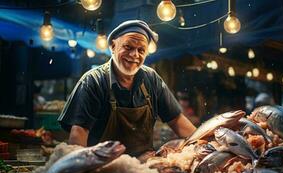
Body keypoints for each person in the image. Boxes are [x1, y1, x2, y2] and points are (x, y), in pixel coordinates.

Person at [58, 20, 196, 157]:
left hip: (143, 169)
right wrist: (78, 171)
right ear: (113, 46)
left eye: (141, 50)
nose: (134, 55)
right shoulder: (93, 81)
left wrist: (204, 145)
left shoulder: (151, 79)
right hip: (102, 168)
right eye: (128, 47)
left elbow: (177, 120)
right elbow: (79, 133)